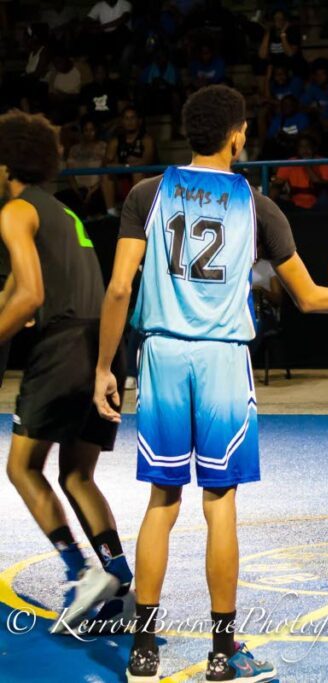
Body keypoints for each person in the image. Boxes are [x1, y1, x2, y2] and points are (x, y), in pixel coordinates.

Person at [93, 85, 328, 681]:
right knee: (220, 504)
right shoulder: (257, 206)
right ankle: (224, 652)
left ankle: (144, 649)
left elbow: (120, 288)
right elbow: (306, 297)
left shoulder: (148, 195)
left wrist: (105, 368)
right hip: (224, 360)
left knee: (161, 500)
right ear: (238, 135)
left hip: (162, 355)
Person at [0, 111, 134, 637]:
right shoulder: (59, 211)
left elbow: (30, 295)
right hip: (105, 345)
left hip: (62, 347)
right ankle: (118, 584)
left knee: (22, 467)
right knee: (78, 474)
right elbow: (22, 290)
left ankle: (81, 574)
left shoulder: (13, 211)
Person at [101, 106, 155, 217]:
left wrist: (124, 166)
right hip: (122, 181)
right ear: (122, 122)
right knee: (106, 175)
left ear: (139, 121)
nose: (129, 122)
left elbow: (146, 161)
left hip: (144, 180)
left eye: (132, 118)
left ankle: (137, 212)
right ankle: (111, 212)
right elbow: (107, 163)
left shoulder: (146, 140)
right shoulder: (115, 141)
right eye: (126, 118)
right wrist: (127, 165)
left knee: (137, 172)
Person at [269, 134, 328, 210]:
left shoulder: (324, 162)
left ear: (314, 148)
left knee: (324, 198)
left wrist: (306, 165)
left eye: (308, 146)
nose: (305, 149)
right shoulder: (289, 163)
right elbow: (277, 186)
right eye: (301, 147)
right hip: (295, 204)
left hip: (317, 202)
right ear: (297, 149)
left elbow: (321, 187)